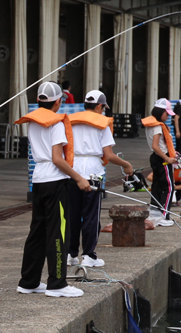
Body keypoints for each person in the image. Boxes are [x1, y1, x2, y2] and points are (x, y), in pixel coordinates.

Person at [15, 81, 89, 298]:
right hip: (55, 181)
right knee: (59, 232)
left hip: (38, 179)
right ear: (58, 102)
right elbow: (57, 159)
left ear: (39, 100)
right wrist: (79, 178)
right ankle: (57, 284)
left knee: (37, 232)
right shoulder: (55, 124)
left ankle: (28, 281)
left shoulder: (34, 121)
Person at [67, 90, 133, 267]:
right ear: (99, 106)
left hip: (72, 169)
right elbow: (109, 155)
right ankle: (88, 255)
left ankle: (71, 254)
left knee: (72, 214)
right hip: (93, 171)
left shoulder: (71, 121)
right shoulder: (102, 124)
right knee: (91, 215)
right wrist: (126, 165)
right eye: (103, 107)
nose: (103, 111)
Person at [142, 98, 177, 227]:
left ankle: (155, 213)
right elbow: (156, 146)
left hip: (156, 158)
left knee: (157, 185)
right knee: (169, 187)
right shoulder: (157, 126)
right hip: (162, 158)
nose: (168, 116)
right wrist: (167, 158)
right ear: (160, 112)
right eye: (166, 113)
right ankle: (164, 215)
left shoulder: (152, 124)